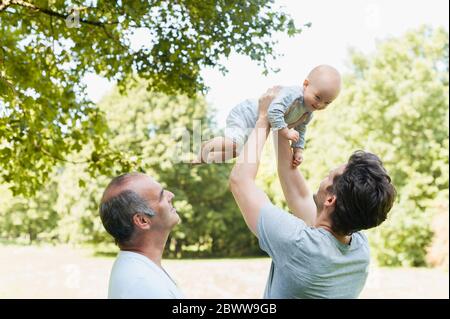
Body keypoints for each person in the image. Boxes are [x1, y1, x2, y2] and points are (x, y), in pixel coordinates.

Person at [229, 87, 396, 299]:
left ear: (330, 199)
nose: (323, 178)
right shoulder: (359, 251)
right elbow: (298, 195)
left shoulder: (299, 244)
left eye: (329, 176)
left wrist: (263, 119)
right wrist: (282, 125)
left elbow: (241, 181)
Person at [193, 64, 341, 167]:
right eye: (317, 97)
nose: (320, 105)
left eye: (327, 103)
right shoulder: (293, 95)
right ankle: (206, 146)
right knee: (234, 144)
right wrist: (285, 131)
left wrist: (298, 150)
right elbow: (274, 110)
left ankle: (206, 158)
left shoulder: (308, 112)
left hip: (256, 125)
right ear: (306, 84)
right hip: (246, 114)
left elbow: (300, 131)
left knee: (238, 152)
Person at [99, 173, 184, 299]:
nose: (171, 195)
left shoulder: (139, 269)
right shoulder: (143, 285)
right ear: (143, 221)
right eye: (161, 196)